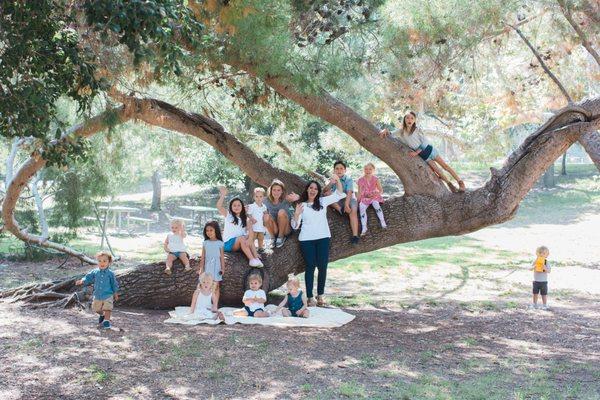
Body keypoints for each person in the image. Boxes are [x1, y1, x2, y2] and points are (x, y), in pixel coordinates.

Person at [292, 175, 346, 307]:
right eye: (311, 188)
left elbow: (339, 194)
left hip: (323, 238)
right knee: (310, 266)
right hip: (306, 240)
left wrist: (337, 180)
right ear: (307, 190)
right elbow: (295, 226)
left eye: (316, 188)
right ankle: (310, 297)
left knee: (323, 266)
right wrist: (297, 214)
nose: (313, 190)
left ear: (318, 191)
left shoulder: (322, 202)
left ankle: (320, 295)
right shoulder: (301, 205)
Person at [379, 111, 466, 192]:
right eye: (407, 118)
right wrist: (385, 130)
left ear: (414, 120)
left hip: (430, 151)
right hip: (424, 157)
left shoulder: (417, 129)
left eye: (412, 118)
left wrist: (416, 152)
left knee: (445, 166)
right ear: (404, 119)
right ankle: (450, 185)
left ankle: (460, 182)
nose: (409, 120)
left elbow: (425, 142)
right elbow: (390, 133)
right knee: (438, 171)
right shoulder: (401, 132)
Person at [216, 186, 263, 267]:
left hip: (240, 243)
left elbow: (251, 233)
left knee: (248, 236)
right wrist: (223, 195)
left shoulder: (246, 219)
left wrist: (251, 243)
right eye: (234, 205)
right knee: (242, 237)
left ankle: (256, 258)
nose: (236, 207)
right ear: (231, 207)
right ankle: (251, 260)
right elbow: (219, 207)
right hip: (228, 244)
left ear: (242, 207)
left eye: (239, 205)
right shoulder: (229, 216)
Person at [75, 251, 120, 329]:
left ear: (109, 262)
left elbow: (114, 284)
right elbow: (88, 277)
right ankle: (102, 314)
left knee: (108, 308)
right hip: (97, 295)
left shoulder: (110, 274)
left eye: (104, 261)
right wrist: (82, 280)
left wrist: (115, 293)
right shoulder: (95, 272)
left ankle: (106, 321)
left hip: (108, 295)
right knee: (95, 308)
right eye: (99, 261)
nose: (102, 263)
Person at [327, 161, 360, 244]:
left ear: (345, 170)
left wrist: (346, 204)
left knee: (353, 211)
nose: (339, 170)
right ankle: (340, 209)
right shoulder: (333, 179)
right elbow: (325, 191)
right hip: (337, 201)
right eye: (337, 169)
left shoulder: (348, 179)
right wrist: (331, 183)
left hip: (348, 199)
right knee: (326, 195)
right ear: (334, 170)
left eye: (341, 168)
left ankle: (355, 236)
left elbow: (349, 192)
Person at [263, 179, 298, 248]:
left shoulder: (287, 200)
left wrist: (297, 198)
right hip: (275, 229)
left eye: (278, 190)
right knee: (266, 216)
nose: (276, 192)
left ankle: (281, 237)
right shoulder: (265, 201)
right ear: (271, 190)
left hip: (286, 229)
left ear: (282, 191)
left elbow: (293, 214)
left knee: (281, 212)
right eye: (274, 190)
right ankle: (272, 238)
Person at [199, 221, 225, 307]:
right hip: (208, 268)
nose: (209, 232)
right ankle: (206, 303)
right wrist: (201, 269)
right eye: (207, 230)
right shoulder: (205, 243)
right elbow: (203, 258)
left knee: (216, 287)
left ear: (216, 231)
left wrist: (223, 269)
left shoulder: (220, 243)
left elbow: (221, 257)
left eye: (211, 230)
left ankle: (215, 305)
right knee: (207, 286)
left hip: (217, 268)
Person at [357, 162, 387, 236]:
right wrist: (358, 200)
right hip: (365, 197)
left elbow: (381, 190)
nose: (368, 171)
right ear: (364, 170)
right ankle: (364, 227)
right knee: (361, 207)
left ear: (373, 170)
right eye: (366, 169)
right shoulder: (361, 180)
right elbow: (360, 192)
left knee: (376, 204)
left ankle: (382, 222)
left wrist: (376, 194)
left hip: (374, 196)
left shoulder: (376, 179)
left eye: (370, 169)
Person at [530, 246, 551, 310]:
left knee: (544, 294)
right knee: (535, 293)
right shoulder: (535, 261)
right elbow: (530, 268)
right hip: (536, 281)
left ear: (547, 255)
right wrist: (534, 266)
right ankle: (534, 304)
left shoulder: (546, 262)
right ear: (537, 254)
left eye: (544, 253)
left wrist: (545, 268)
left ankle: (544, 305)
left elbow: (549, 271)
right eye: (540, 253)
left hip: (543, 281)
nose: (541, 254)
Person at [247, 187, 268, 253]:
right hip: (254, 226)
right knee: (253, 237)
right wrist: (252, 219)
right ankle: (251, 247)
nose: (258, 198)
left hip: (261, 225)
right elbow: (249, 214)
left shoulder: (264, 206)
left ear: (263, 198)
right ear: (254, 197)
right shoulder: (252, 206)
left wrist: (266, 216)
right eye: (257, 196)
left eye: (260, 196)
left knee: (261, 237)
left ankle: (260, 247)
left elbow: (265, 213)